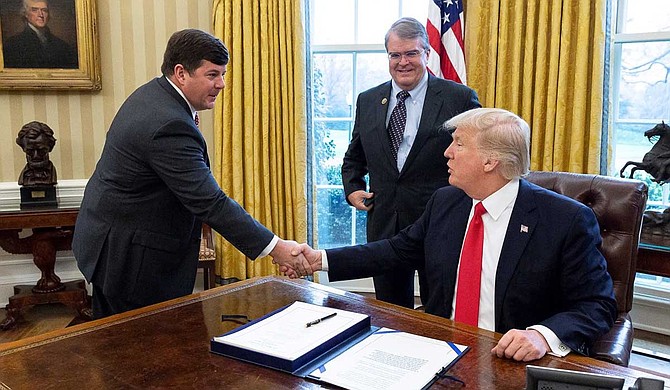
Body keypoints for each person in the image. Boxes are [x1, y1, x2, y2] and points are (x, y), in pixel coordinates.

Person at [289, 108, 617, 362]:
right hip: (439, 351)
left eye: (458, 143)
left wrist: (543, 335)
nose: (447, 152)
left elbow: (597, 304)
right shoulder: (447, 201)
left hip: (508, 358)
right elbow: (396, 251)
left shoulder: (565, 219)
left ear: (491, 160)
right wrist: (320, 260)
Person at [72, 29, 309, 319]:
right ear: (181, 73)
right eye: (212, 75)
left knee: (124, 343)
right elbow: (210, 202)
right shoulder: (168, 123)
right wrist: (277, 248)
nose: (221, 84)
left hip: (116, 244)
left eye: (223, 74)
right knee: (139, 348)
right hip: (131, 262)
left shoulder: (155, 95)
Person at [341, 17, 480, 309]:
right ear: (388, 57)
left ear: (427, 53)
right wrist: (353, 188)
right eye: (395, 55)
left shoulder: (459, 98)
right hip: (385, 225)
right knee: (391, 313)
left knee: (440, 311)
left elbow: (476, 156)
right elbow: (355, 157)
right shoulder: (368, 100)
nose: (403, 62)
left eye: (411, 53)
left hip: (441, 224)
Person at [2, 0, 78, 69]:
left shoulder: (62, 46)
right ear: (25, 14)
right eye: (34, 10)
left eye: (44, 10)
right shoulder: (13, 44)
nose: (41, 15)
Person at [16, 121, 57, 186]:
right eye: (30, 151)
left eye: (41, 151)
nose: (36, 156)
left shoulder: (52, 174)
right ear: (23, 148)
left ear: (50, 148)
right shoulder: (24, 176)